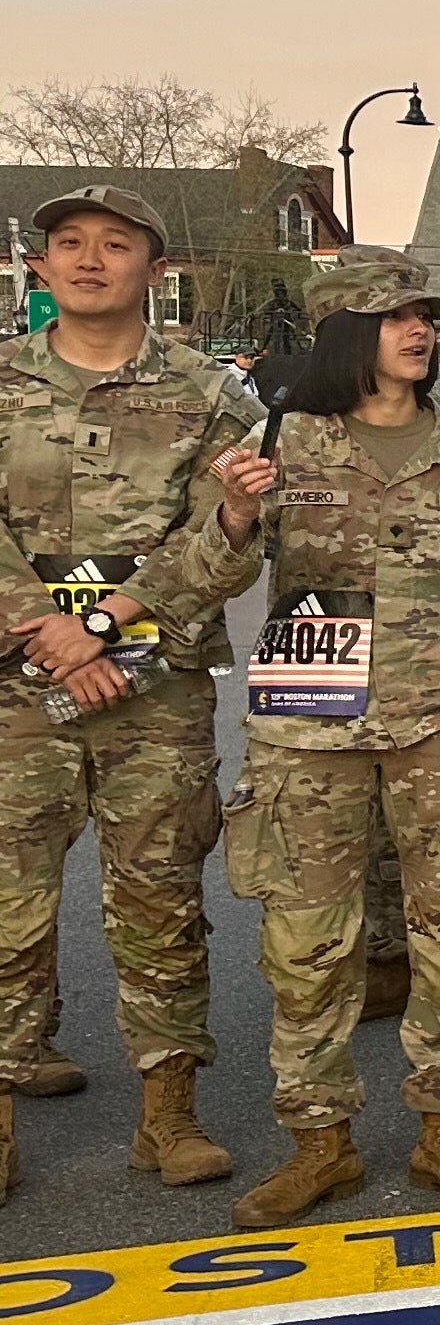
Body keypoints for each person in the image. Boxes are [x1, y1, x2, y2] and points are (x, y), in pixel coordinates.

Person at [209, 249, 440, 1223]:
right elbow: (207, 579)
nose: (418, 331)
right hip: (307, 731)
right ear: (347, 331)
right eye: (395, 317)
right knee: (306, 945)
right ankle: (320, 1145)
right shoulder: (278, 443)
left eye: (424, 315)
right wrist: (232, 511)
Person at [0, 184, 270, 1199]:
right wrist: (51, 634)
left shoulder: (211, 397)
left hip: (153, 688)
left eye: (115, 245)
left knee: (159, 900)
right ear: (39, 267)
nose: (87, 259)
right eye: (67, 242)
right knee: (7, 908)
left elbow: (225, 546)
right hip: (17, 690)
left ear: (153, 270)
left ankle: (170, 1116)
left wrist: (105, 630)